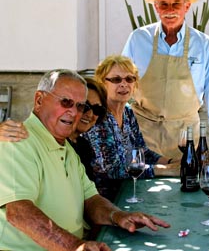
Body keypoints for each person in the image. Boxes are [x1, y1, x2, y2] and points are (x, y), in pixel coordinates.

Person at [0, 69, 170, 250]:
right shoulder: (17, 141)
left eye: (80, 106)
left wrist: (118, 216)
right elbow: (19, 213)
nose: (74, 113)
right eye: (66, 102)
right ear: (39, 100)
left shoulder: (67, 148)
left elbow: (90, 199)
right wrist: (75, 246)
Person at [122, 0, 209, 161]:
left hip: (185, 138)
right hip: (143, 135)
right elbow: (120, 83)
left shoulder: (203, 44)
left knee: (187, 184)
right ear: (156, 7)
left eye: (176, 4)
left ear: (186, 7)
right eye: (164, 4)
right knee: (142, 187)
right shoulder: (138, 39)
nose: (170, 10)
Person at [83, 55, 179, 201]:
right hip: (106, 200)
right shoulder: (98, 115)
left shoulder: (127, 111)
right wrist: (166, 171)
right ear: (103, 83)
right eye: (116, 80)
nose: (124, 84)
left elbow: (142, 152)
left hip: (132, 191)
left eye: (129, 79)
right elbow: (112, 170)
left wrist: (172, 162)